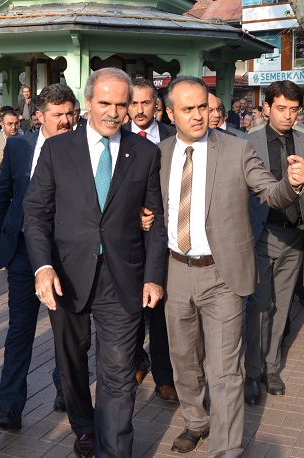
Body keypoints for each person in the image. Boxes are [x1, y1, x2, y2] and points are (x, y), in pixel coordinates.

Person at [159, 76, 304, 456]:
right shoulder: (158, 155)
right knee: (184, 361)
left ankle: (226, 450)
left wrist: (292, 185)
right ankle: (196, 421)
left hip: (223, 273)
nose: (198, 116)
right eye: (188, 109)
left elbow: (270, 192)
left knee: (224, 371)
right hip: (176, 270)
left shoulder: (237, 150)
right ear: (170, 112)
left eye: (204, 107)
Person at [23, 67, 168, 458]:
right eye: (105, 103)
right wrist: (42, 267)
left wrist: (154, 277)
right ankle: (84, 426)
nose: (113, 112)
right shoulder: (57, 150)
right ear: (88, 103)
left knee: (118, 375)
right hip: (66, 277)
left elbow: (156, 221)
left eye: (122, 104)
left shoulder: (145, 153)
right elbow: (36, 213)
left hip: (123, 278)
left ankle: (112, 450)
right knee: (70, 364)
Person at [0, 83, 76, 431]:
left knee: (66, 329)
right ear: (39, 117)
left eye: (71, 113)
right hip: (23, 253)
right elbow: (3, 193)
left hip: (67, 254)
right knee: (19, 330)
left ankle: (66, 390)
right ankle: (10, 408)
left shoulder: (83, 148)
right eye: (58, 115)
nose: (66, 121)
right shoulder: (19, 147)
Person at [243, 80, 304, 405]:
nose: (288, 116)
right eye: (281, 109)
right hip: (260, 235)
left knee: (282, 304)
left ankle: (271, 368)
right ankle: (250, 372)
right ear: (267, 109)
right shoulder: (247, 142)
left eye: (294, 110)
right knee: (259, 304)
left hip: (294, 237)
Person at [127, 77, 178, 402]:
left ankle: (164, 375)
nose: (140, 109)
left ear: (157, 104)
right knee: (128, 309)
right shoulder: (116, 140)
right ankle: (135, 359)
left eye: (146, 102)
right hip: (128, 242)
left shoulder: (173, 139)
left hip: (166, 240)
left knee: (160, 312)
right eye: (133, 103)